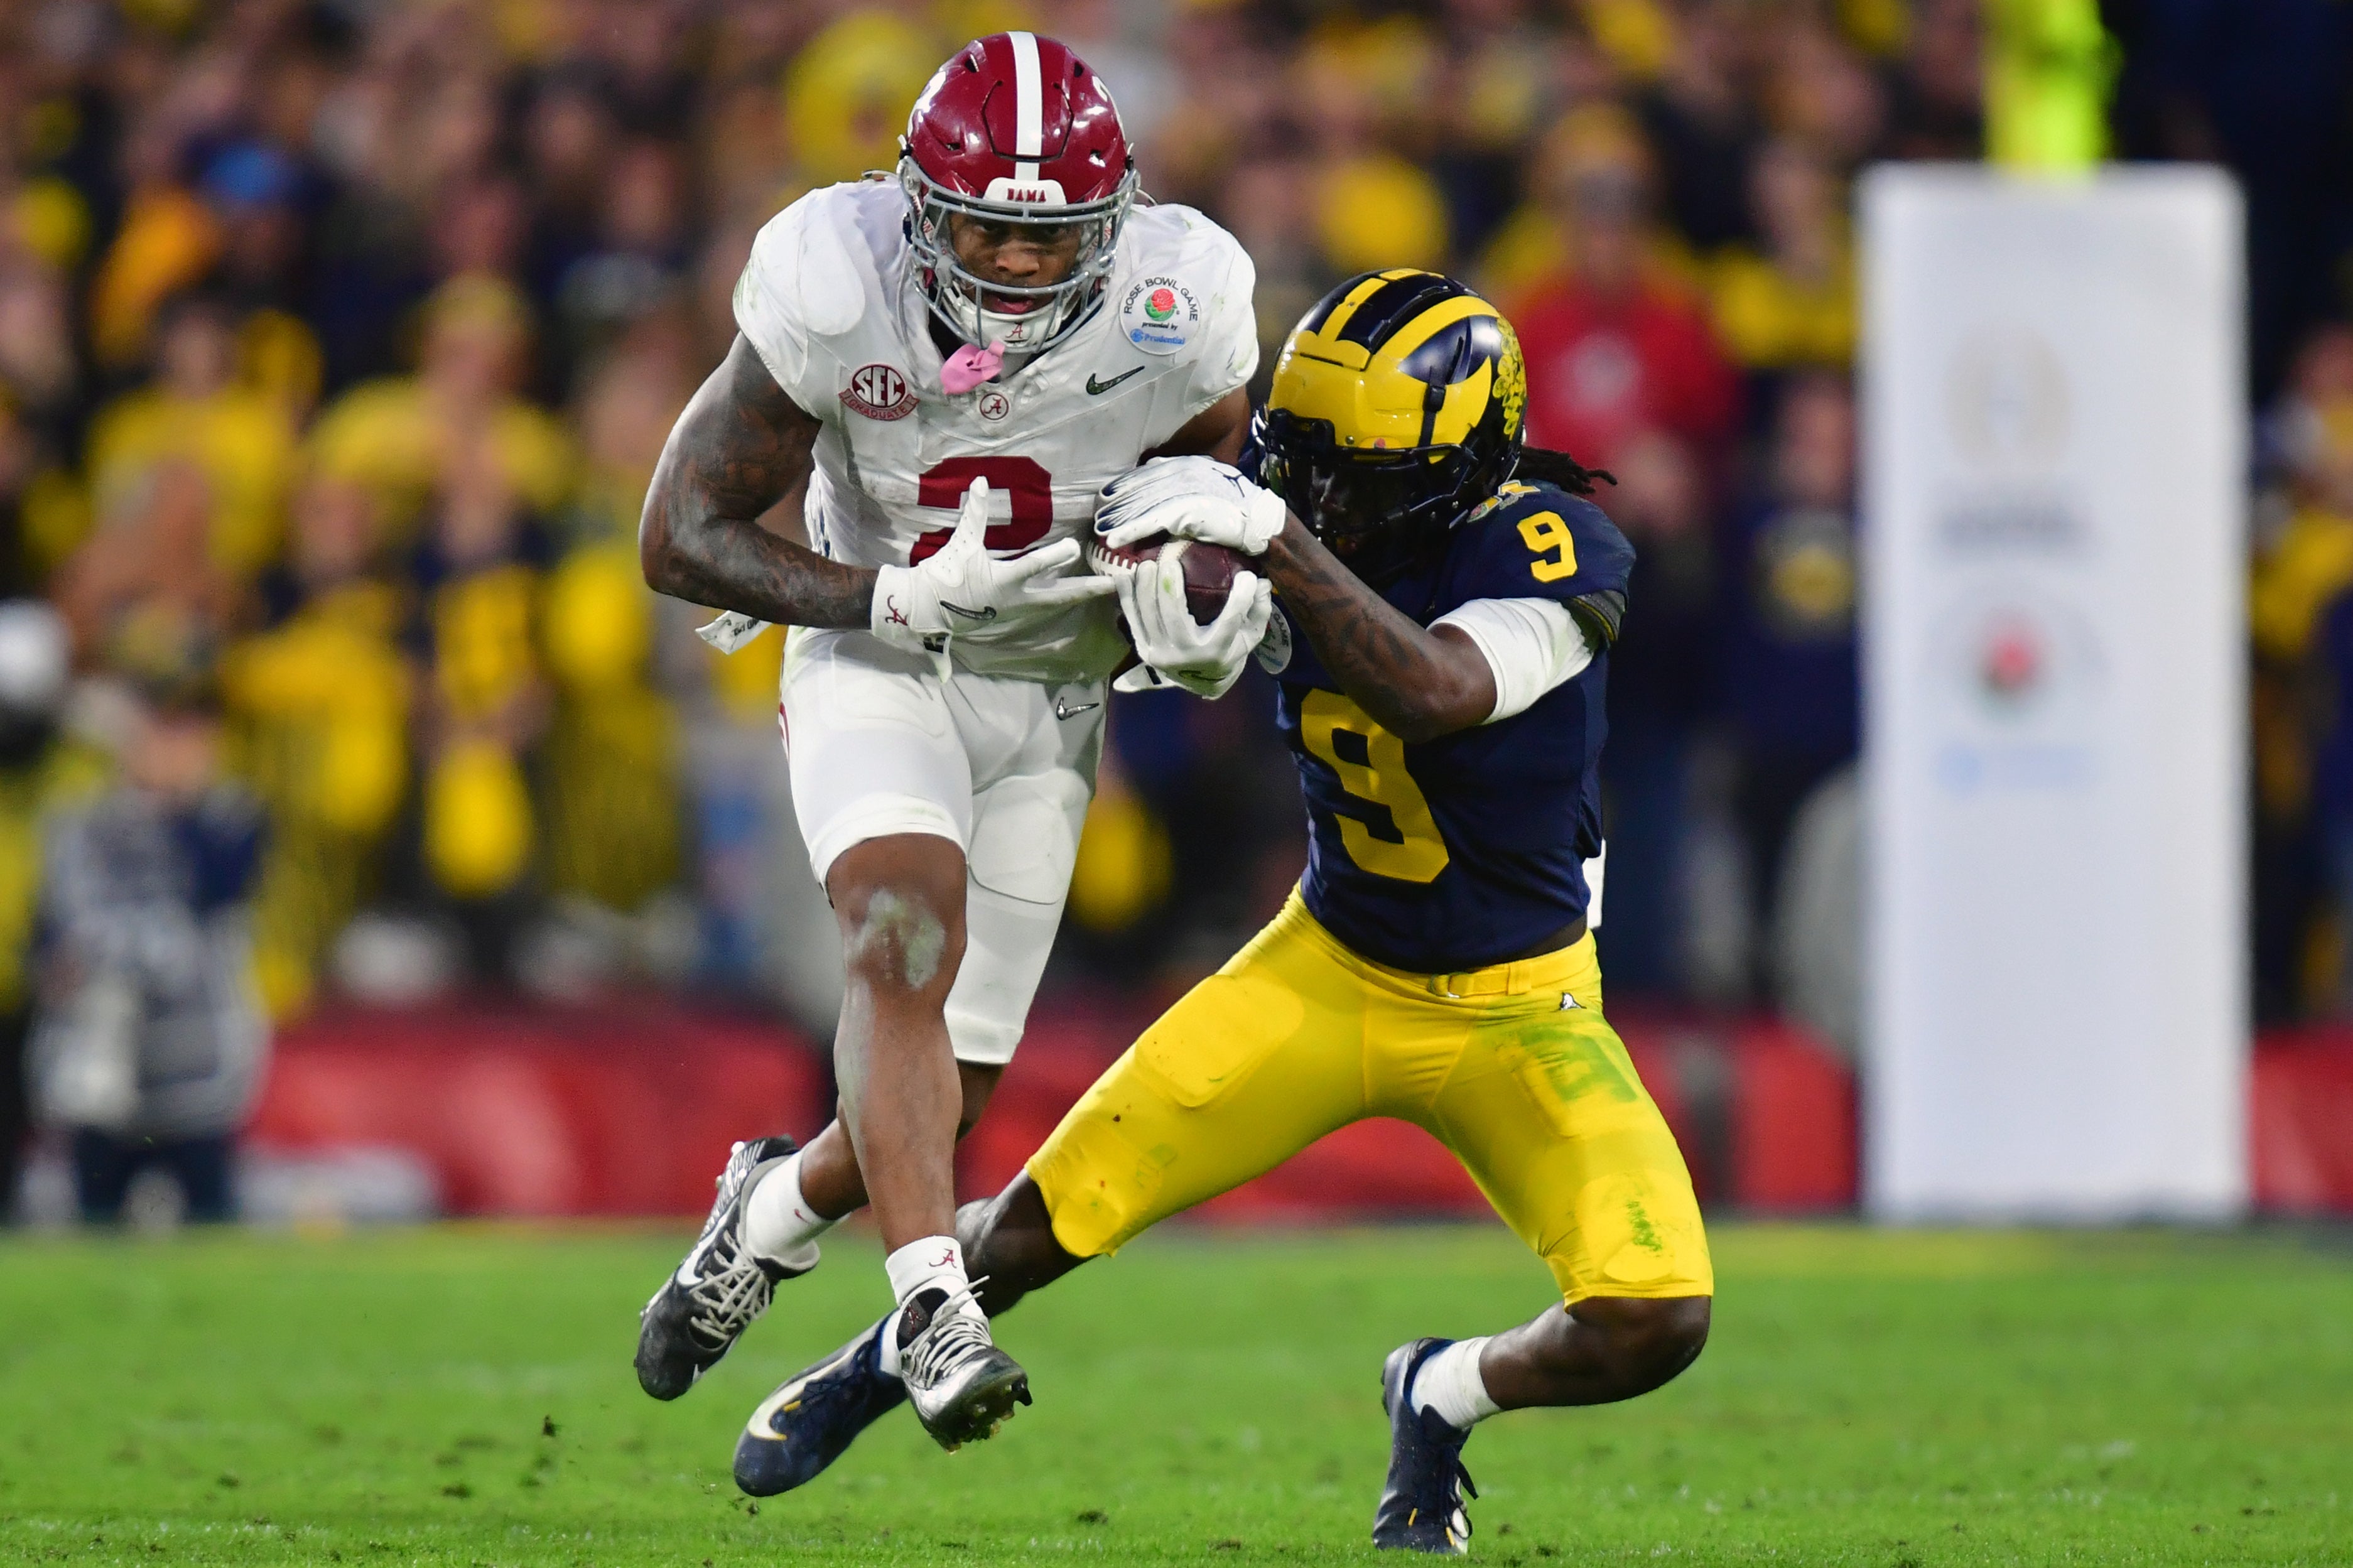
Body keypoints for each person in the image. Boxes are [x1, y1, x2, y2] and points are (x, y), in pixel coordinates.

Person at [733, 272, 1714, 1554]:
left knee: (1655, 1316)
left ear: (1458, 465)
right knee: (1041, 1223)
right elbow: (1084, 589)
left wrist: (1271, 545)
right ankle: (870, 1365)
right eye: (1299, 467)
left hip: (1520, 1006)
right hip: (1325, 968)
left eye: (1351, 478)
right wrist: (1131, 625)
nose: (1319, 498)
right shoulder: (1269, 495)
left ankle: (1439, 1388)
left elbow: (1432, 686)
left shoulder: (1552, 546)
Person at [630, 32, 1266, 1451]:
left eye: (1054, 240)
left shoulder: (1183, 296)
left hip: (1051, 689)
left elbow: (1224, 490)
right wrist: (883, 592)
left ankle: (776, 1206)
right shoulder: (833, 278)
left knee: (945, 1093)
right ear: (919, 203)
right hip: (882, 652)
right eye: (988, 230)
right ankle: (929, 1298)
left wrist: (1205, 598)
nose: (1023, 270)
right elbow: (678, 536)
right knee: (899, 933)